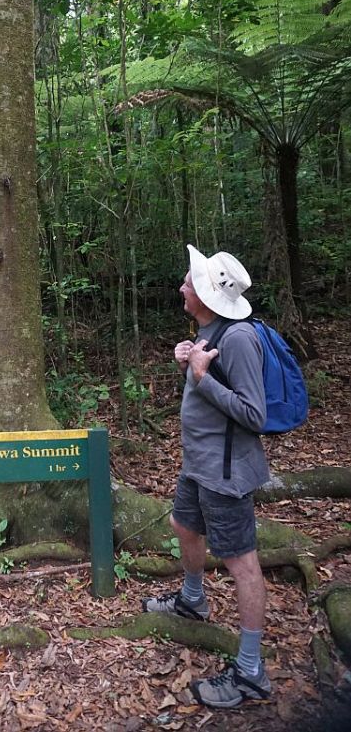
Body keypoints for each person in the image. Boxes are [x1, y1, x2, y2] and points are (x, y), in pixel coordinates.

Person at [143, 244, 272, 708]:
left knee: (242, 563)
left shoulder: (238, 339)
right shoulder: (209, 330)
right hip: (199, 465)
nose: (181, 286)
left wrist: (202, 377)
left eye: (188, 282)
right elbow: (207, 389)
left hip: (225, 472)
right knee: (183, 524)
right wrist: (188, 364)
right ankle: (193, 599)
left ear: (204, 292)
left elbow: (254, 414)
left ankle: (251, 672)